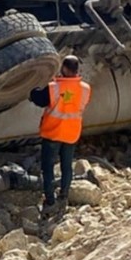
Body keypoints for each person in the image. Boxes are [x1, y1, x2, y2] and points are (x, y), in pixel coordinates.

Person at [29, 54, 92, 217]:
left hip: (53, 132)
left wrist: (33, 88)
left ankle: (49, 200)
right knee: (66, 165)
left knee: (48, 167)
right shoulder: (85, 88)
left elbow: (38, 98)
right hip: (71, 133)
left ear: (64, 68)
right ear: (77, 69)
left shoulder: (54, 88)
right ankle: (63, 195)